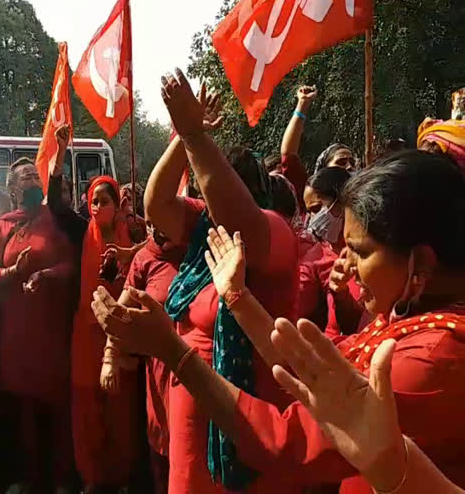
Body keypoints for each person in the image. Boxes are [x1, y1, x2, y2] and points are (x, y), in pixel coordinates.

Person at [94, 150, 465, 493]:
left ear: (421, 267)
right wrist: (237, 297)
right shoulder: (408, 320)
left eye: (361, 251)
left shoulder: (433, 358)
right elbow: (315, 370)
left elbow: (285, 438)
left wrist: (173, 351)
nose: (346, 264)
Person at [142, 71, 298, 493]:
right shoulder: (204, 228)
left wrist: (196, 139)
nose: (201, 193)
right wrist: (183, 136)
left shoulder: (272, 231)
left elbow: (235, 216)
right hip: (190, 415)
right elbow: (155, 204)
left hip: (245, 420)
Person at [270, 322, 464, 494]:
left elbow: (287, 438)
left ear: (417, 279)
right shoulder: (387, 322)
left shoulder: (429, 357)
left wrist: (388, 467)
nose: (354, 279)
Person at [0, 157, 76, 493]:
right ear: (12, 188)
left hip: (50, 335)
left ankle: (58, 478)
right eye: (24, 176)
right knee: (20, 410)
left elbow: (72, 265)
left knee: (52, 406)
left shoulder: (55, 222)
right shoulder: (3, 227)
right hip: (15, 336)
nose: (30, 179)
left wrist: (46, 275)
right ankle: (26, 478)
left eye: (34, 175)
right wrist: (13, 272)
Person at [101, 220, 187, 494]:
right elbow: (119, 312)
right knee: (163, 463)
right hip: (160, 378)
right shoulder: (146, 257)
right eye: (150, 221)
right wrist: (110, 357)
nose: (155, 227)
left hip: (201, 373)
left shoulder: (200, 250)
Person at [70, 174, 139, 492]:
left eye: (104, 201)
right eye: (93, 201)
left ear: (117, 204)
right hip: (86, 337)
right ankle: (93, 478)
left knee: (120, 411)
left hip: (120, 335)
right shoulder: (81, 235)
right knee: (88, 409)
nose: (97, 207)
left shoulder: (133, 236)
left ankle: (121, 477)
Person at [299, 167, 366, 335]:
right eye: (309, 212)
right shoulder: (316, 256)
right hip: (338, 347)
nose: (314, 219)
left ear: (343, 201)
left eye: (317, 209)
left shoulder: (374, 246)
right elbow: (296, 304)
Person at [278, 85, 318, 211]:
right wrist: (302, 104)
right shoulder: (307, 195)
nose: (349, 167)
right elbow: (289, 155)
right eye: (342, 162)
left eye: (352, 161)